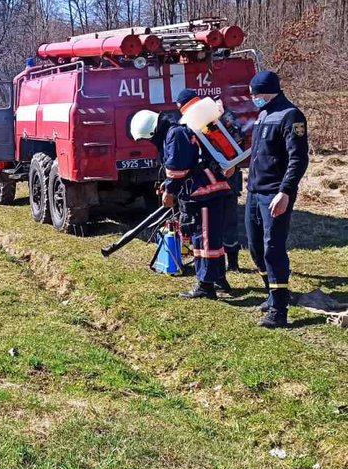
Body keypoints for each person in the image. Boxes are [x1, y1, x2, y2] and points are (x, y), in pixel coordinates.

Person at [131, 109, 233, 300]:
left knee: (203, 240)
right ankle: (219, 279)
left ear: (152, 132)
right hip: (211, 188)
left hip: (203, 193)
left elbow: (177, 167)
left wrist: (169, 192)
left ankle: (205, 286)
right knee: (212, 240)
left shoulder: (174, 134)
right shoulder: (177, 130)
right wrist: (168, 184)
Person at [246, 71, 309, 328]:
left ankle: (279, 310)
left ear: (268, 92)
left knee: (273, 249)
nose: (253, 99)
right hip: (254, 192)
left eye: (256, 94)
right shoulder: (263, 115)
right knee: (255, 247)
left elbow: (298, 158)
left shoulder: (290, 116)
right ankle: (271, 292)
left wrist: (285, 192)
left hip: (275, 193)